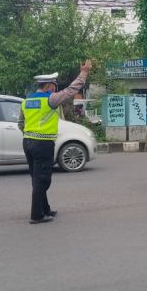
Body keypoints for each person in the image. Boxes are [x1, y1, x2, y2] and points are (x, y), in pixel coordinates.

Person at [18, 60, 92, 224]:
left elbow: (20, 124)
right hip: (43, 144)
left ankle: (45, 209)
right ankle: (36, 215)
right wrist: (84, 72)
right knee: (42, 180)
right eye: (53, 85)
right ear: (48, 86)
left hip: (28, 143)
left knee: (36, 178)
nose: (55, 88)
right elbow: (72, 90)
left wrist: (30, 134)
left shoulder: (27, 101)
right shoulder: (50, 100)